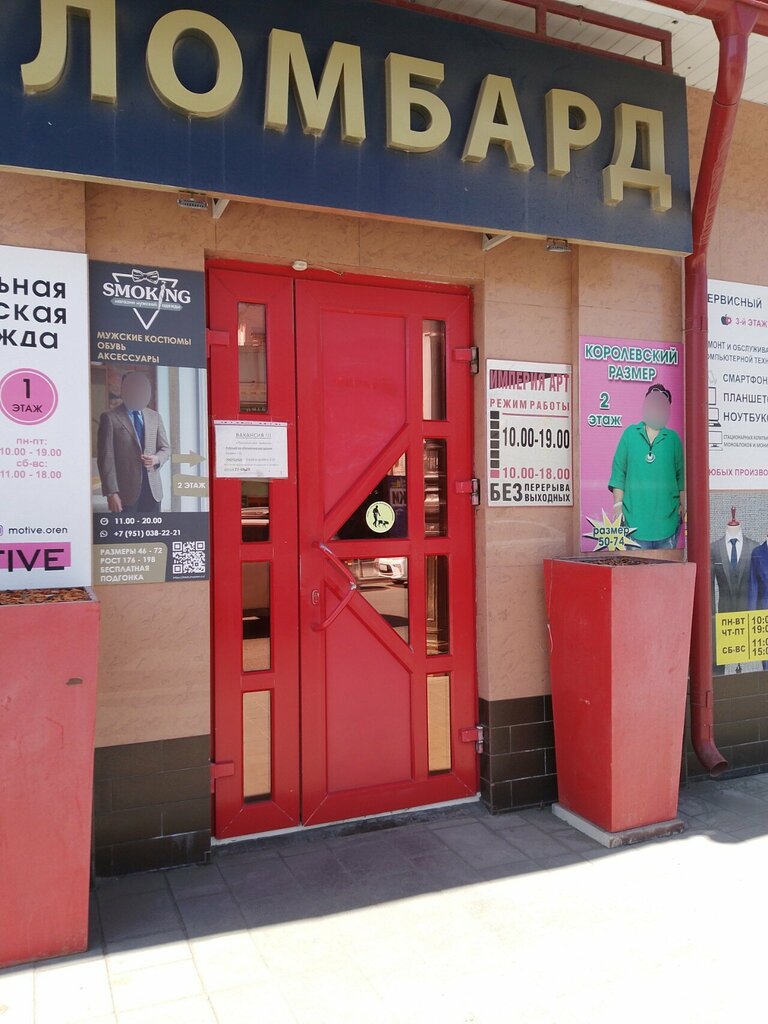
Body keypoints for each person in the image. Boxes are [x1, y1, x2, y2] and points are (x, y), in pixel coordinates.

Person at [608, 383, 685, 549]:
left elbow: (682, 477)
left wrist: (683, 505)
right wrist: (617, 506)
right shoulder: (630, 434)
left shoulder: (673, 439)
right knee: (637, 567)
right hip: (634, 524)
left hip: (667, 524)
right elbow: (619, 472)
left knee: (666, 567)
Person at [97, 371, 170, 515]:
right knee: (127, 529)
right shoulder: (110, 418)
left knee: (152, 529)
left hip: (153, 491)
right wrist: (111, 493)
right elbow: (106, 459)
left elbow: (165, 449)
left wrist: (156, 459)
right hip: (125, 493)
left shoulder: (154, 416)